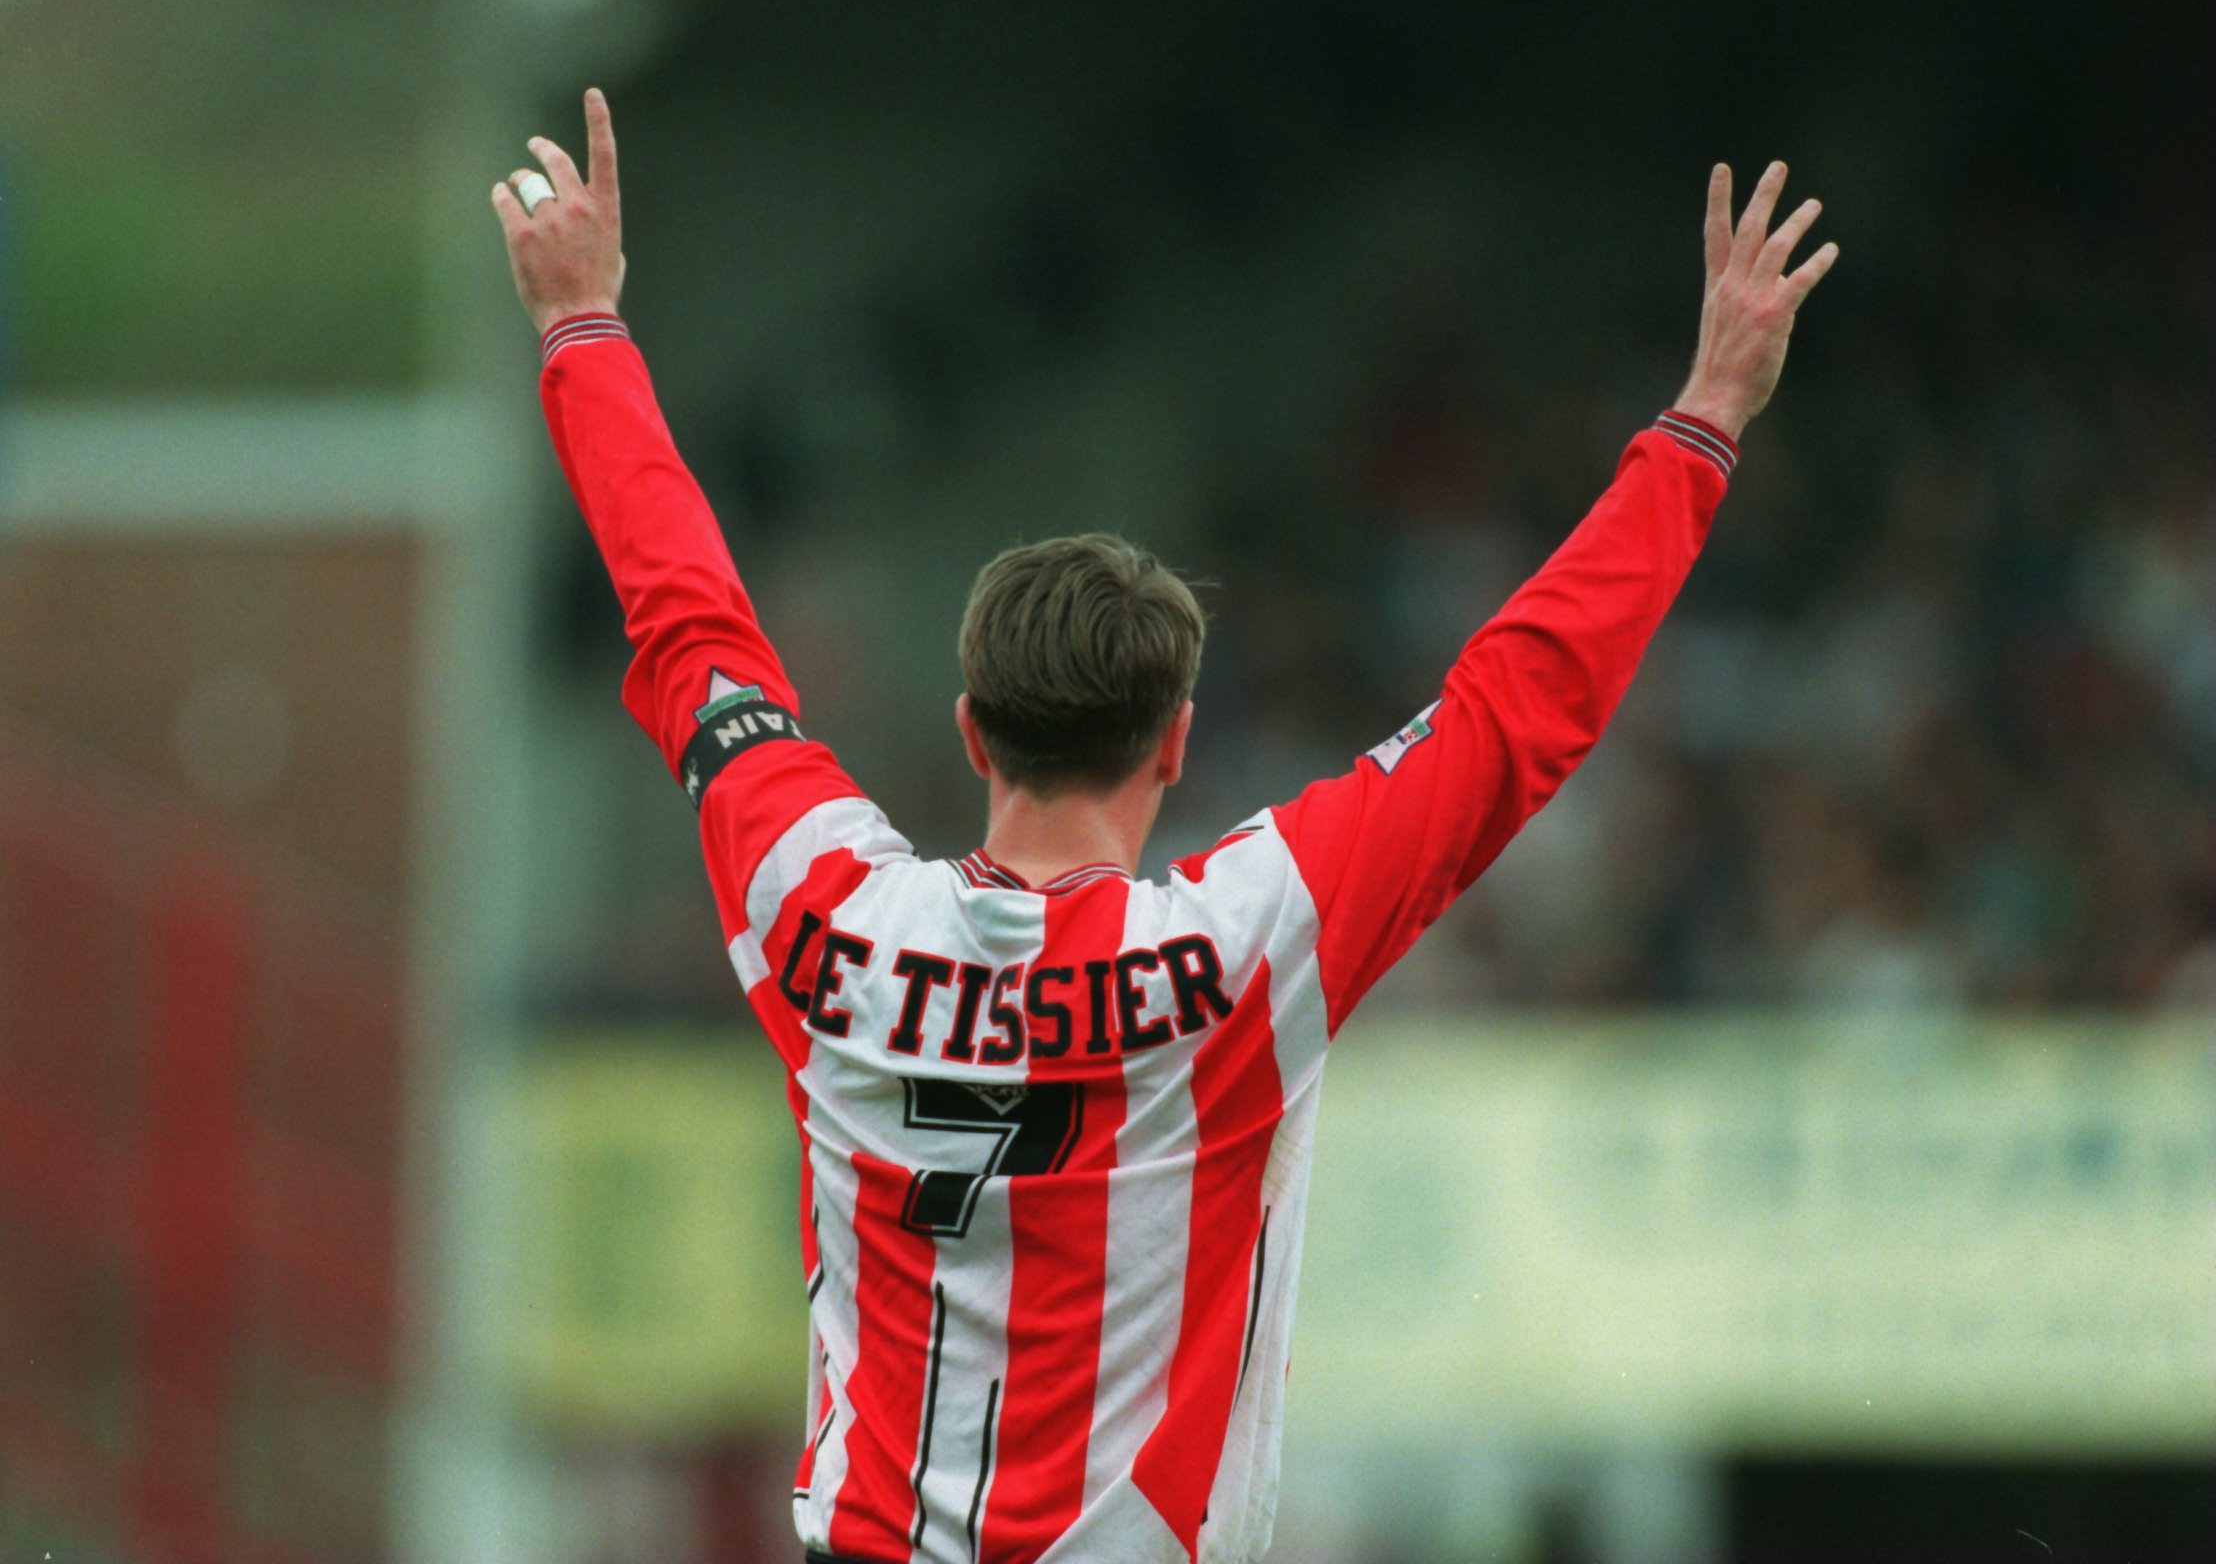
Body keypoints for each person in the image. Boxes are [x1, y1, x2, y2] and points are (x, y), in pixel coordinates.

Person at [491, 89, 1836, 1564]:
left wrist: (585, 328)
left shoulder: (826, 915)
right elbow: (1510, 720)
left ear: (969, 730)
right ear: (1177, 743)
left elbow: (692, 627)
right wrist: (1702, 418)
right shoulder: (1247, 946)